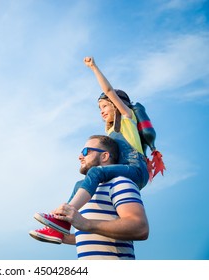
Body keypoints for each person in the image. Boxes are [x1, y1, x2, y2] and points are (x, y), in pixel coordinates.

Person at [29, 57, 149, 243]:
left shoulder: (127, 117)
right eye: (99, 108)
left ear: (117, 104)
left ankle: (63, 215)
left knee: (96, 172)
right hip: (125, 169)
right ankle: (60, 229)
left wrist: (93, 67)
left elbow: (108, 91)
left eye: (104, 106)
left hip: (136, 168)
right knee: (80, 184)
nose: (101, 111)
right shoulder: (109, 131)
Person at [54, 135, 149, 259]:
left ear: (104, 156)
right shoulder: (83, 194)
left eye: (86, 151)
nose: (80, 156)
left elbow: (140, 228)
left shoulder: (119, 183)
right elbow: (94, 233)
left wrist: (86, 223)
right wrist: (63, 237)